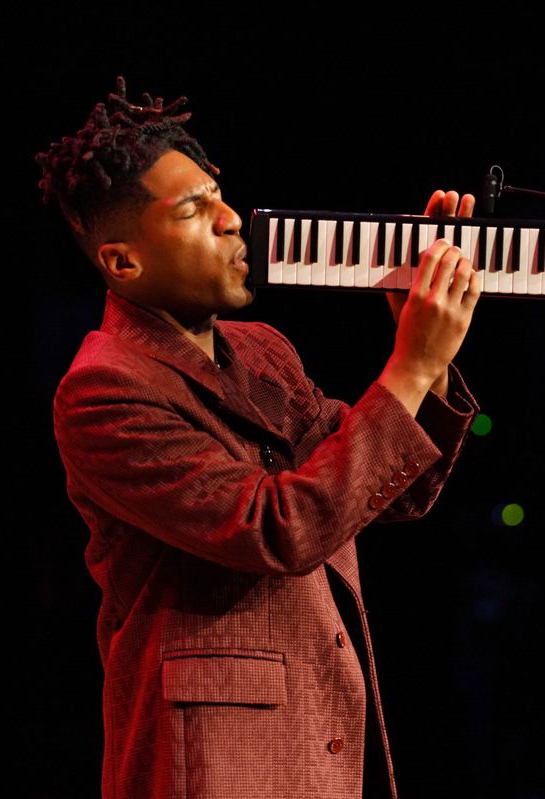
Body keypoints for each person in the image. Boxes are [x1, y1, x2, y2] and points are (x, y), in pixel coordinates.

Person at [35, 76, 481, 799]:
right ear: (122, 261)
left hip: (324, 735)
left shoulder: (266, 349)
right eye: (194, 209)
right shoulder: (104, 387)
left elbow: (386, 493)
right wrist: (412, 363)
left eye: (221, 195)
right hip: (214, 765)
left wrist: (423, 356)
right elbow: (281, 528)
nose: (233, 219)